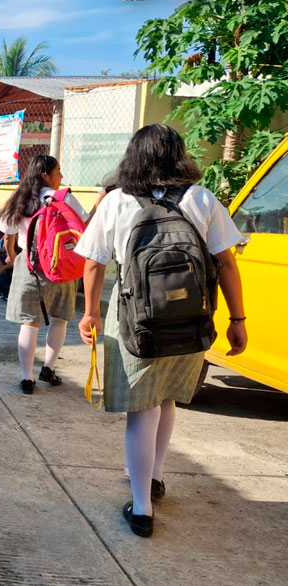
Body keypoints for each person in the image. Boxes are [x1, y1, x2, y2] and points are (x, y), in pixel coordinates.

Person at [75, 124, 246, 538]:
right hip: (190, 318)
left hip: (136, 318)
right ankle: (154, 477)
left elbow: (95, 262)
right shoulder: (202, 199)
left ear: (134, 156)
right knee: (167, 397)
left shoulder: (116, 201)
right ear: (179, 154)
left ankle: (142, 508)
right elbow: (226, 264)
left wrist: (90, 314)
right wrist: (238, 320)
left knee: (142, 407)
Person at [0, 155, 90, 394]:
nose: (61, 176)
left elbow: (8, 235)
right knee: (60, 318)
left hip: (29, 264)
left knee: (30, 322)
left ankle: (27, 378)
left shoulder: (20, 199)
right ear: (45, 175)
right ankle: (48, 368)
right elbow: (84, 225)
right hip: (61, 265)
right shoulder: (64, 197)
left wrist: (12, 256)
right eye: (58, 171)